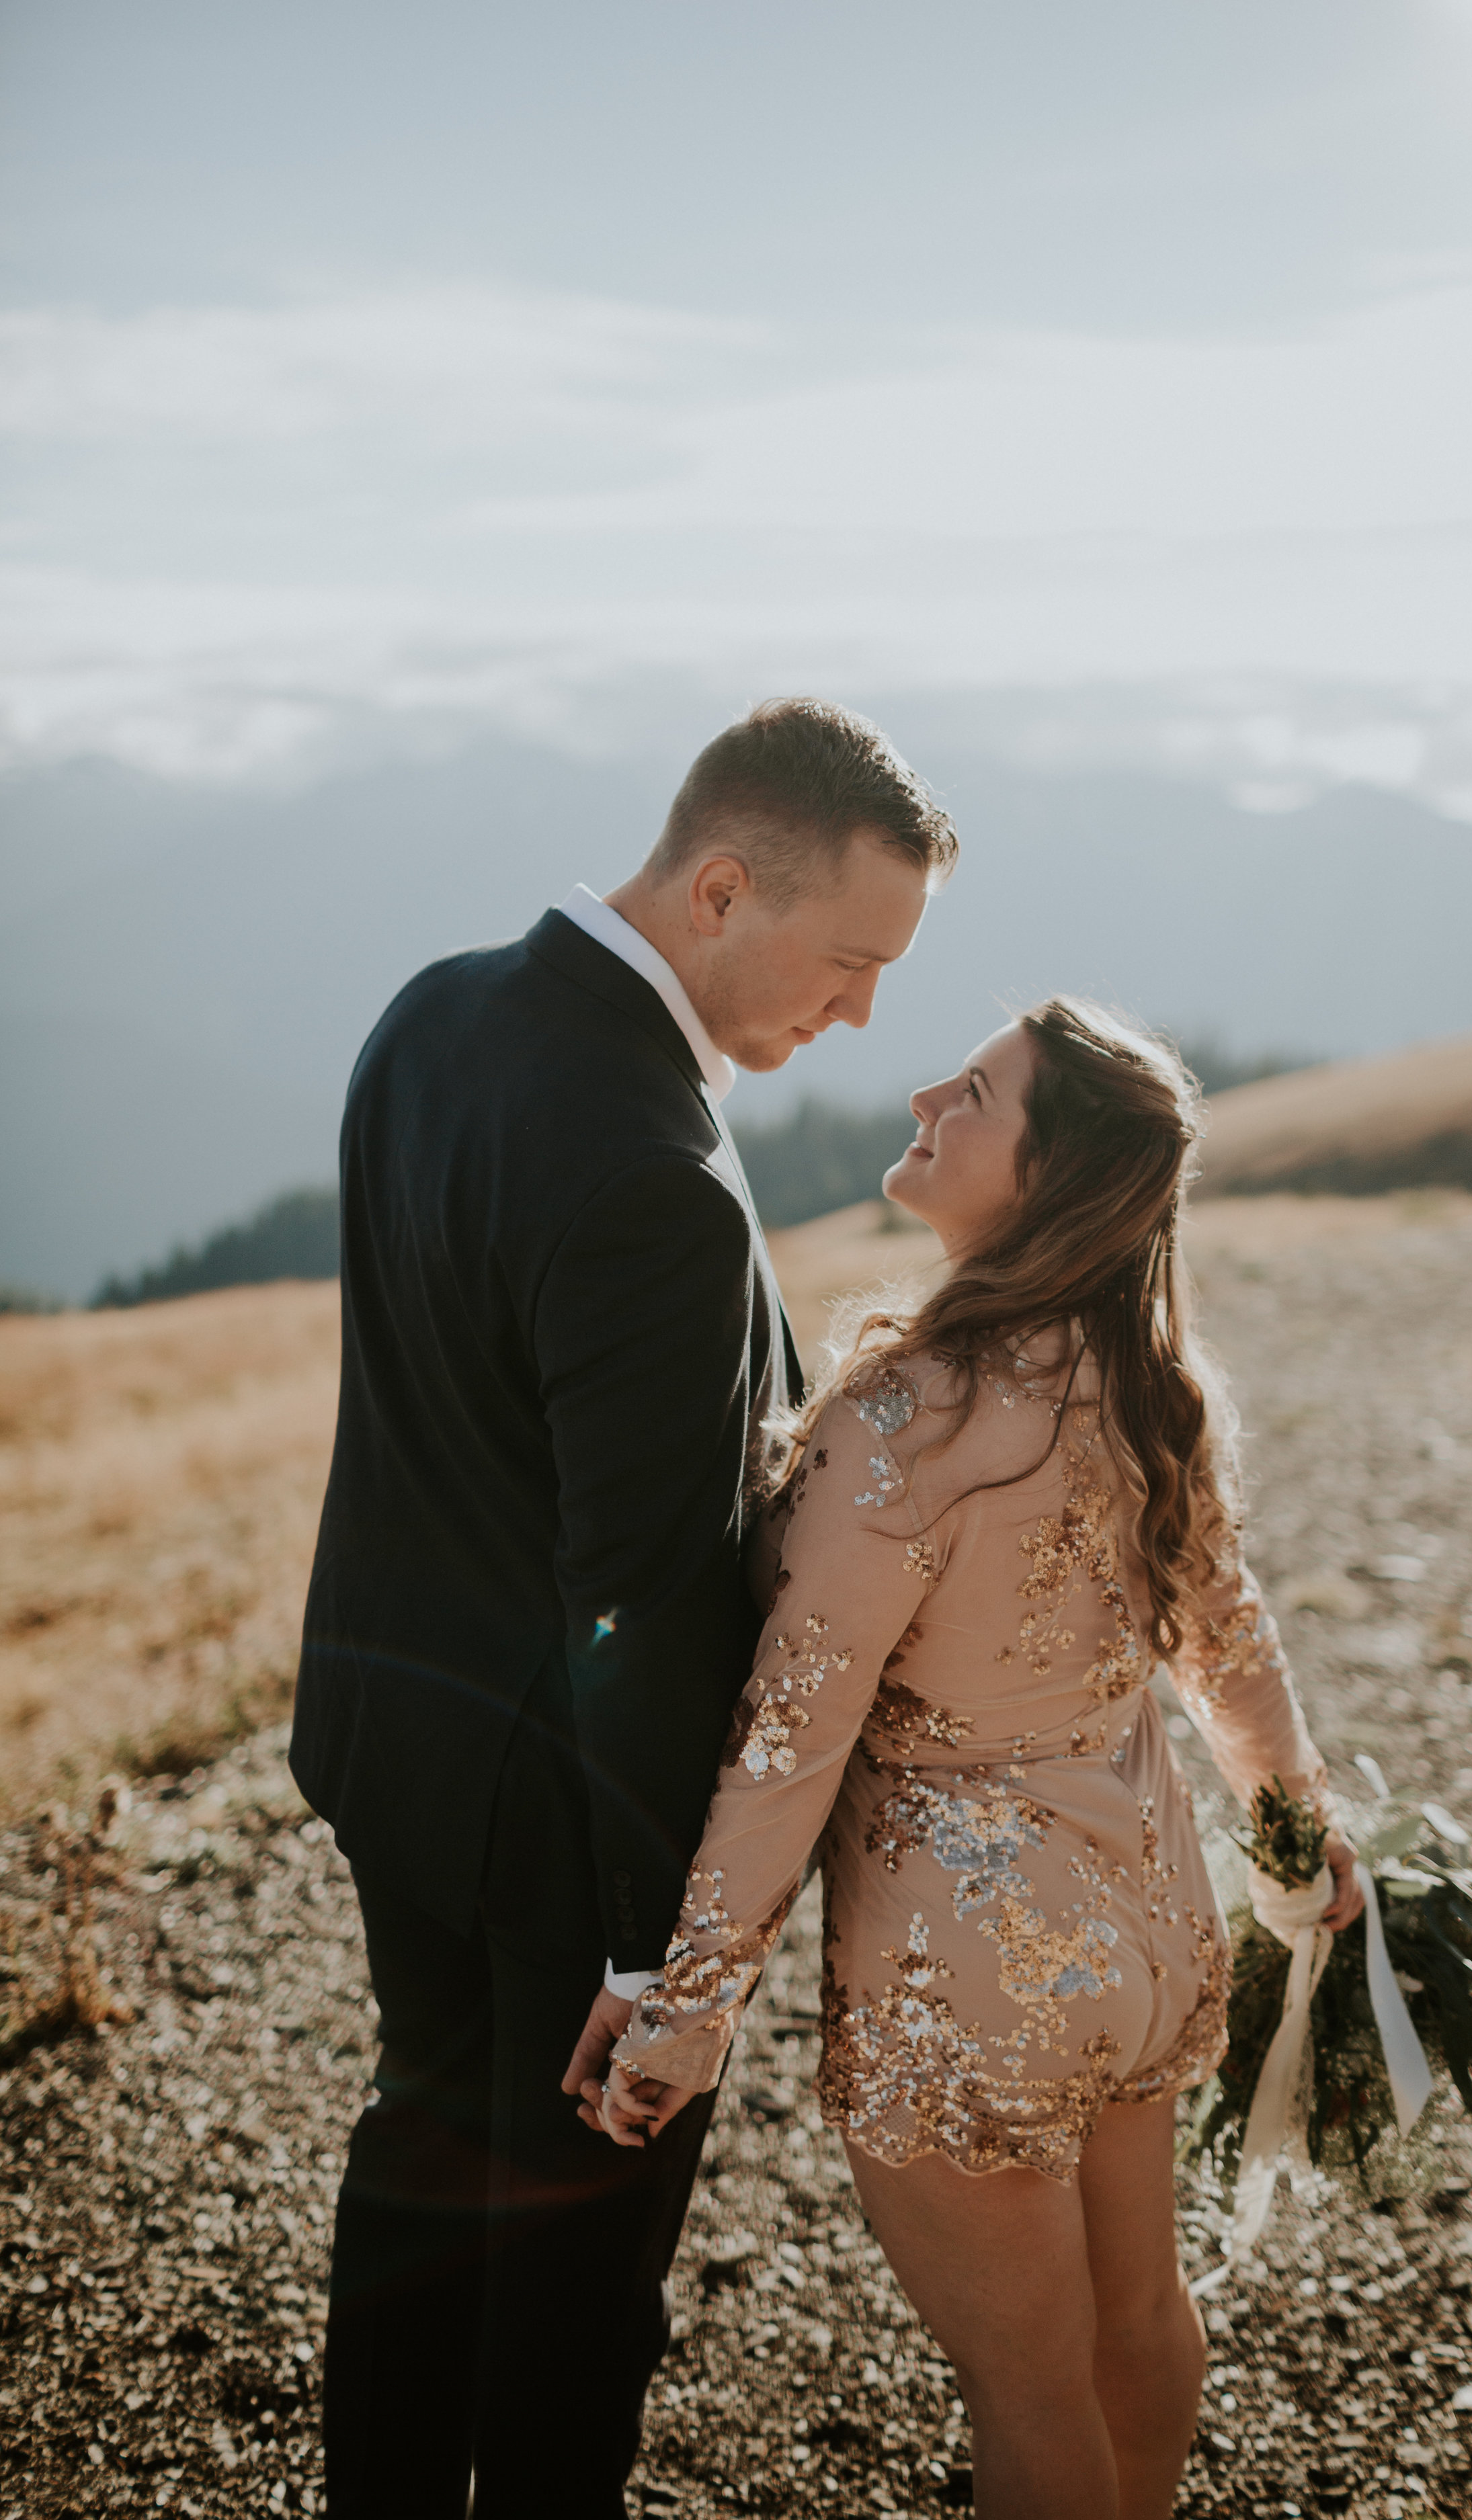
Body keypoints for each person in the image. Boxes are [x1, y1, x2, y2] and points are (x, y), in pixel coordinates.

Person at [288, 697, 957, 2520]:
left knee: (418, 2158)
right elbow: (637, 1604)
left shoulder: (428, 1010)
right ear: (722, 885)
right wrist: (650, 1955)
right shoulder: (651, 1174)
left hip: (383, 1734)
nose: (862, 1013)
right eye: (846, 960)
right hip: (553, 1817)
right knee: (576, 2273)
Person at [596, 999, 1364, 2520]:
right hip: (1144, 1935)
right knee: (1138, 2327)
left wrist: (683, 2014)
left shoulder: (903, 1419)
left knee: (1026, 2392)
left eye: (978, 1089)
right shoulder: (1151, 1389)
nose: (926, 1092)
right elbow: (1233, 1649)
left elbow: (790, 1738)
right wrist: (1297, 1849)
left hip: (968, 1985)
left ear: (1047, 1177)